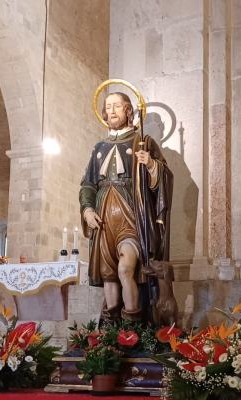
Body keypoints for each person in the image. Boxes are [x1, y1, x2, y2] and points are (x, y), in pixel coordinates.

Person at [79, 91, 173, 323]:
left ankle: (133, 326)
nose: (111, 111)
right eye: (108, 107)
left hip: (131, 215)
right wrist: (88, 210)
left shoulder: (142, 141)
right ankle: (112, 332)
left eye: (117, 107)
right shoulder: (99, 147)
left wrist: (151, 164)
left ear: (128, 111)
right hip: (103, 218)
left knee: (125, 269)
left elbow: (164, 177)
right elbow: (88, 184)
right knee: (109, 275)